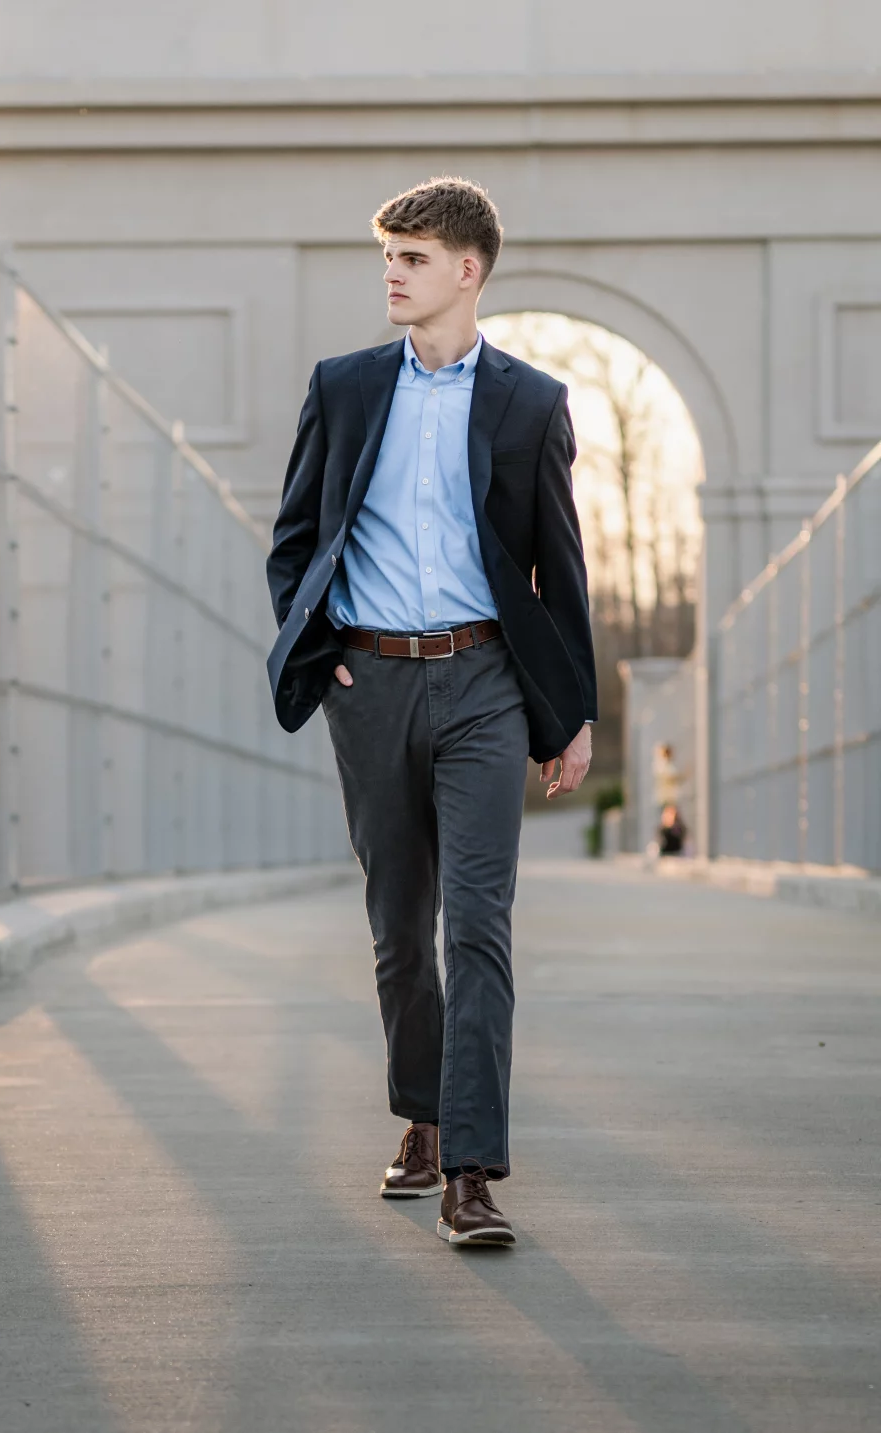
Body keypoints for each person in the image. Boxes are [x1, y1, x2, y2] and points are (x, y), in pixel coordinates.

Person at [265, 177, 597, 1247]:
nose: (391, 275)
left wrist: (571, 712)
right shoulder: (346, 386)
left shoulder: (532, 403)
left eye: (411, 258)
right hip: (370, 683)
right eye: (386, 258)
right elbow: (294, 542)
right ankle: (420, 1113)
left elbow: (560, 566)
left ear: (468, 270)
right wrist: (320, 657)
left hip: (487, 684)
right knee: (399, 927)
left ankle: (469, 1168)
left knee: (478, 925)